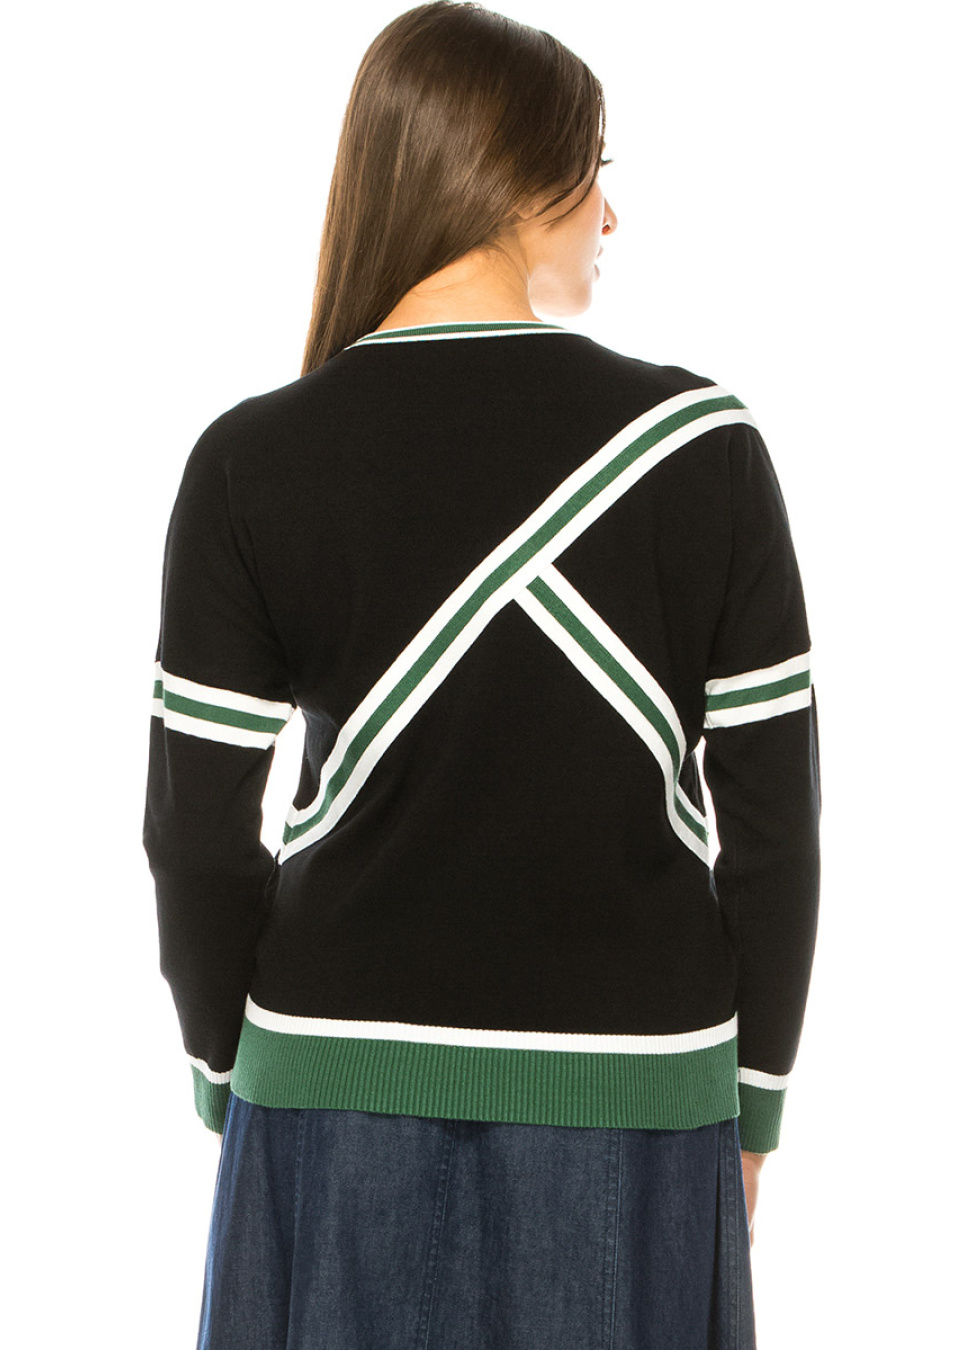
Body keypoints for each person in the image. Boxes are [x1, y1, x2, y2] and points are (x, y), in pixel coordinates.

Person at [142, 3, 820, 1346]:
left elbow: (194, 842)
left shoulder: (249, 459)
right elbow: (775, 828)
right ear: (513, 176)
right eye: (596, 171)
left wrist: (235, 1070)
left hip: (329, 1093)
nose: (611, 217)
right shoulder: (704, 447)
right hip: (637, 1104)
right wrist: (751, 1104)